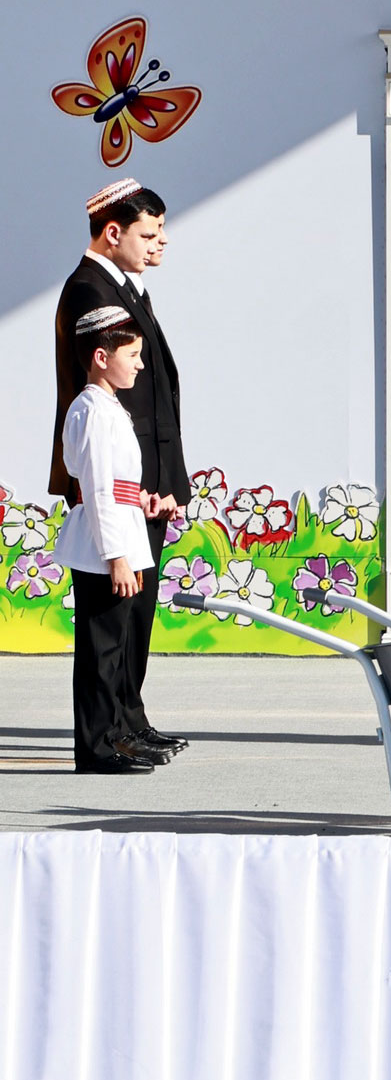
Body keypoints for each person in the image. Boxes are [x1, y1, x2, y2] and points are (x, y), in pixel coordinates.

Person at [50, 178, 189, 758]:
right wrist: (150, 485)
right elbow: (125, 401)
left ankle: (128, 721)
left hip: (141, 484)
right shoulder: (92, 290)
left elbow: (156, 391)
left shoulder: (125, 287)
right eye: (149, 234)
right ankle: (109, 734)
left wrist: (167, 479)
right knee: (112, 620)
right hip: (122, 487)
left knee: (135, 614)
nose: (161, 244)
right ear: (113, 233)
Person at [53, 308, 171, 773]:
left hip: (121, 531)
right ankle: (96, 748)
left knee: (116, 647)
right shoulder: (91, 411)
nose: (140, 364)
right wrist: (116, 557)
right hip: (105, 545)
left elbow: (115, 484)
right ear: (102, 357)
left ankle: (116, 736)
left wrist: (144, 500)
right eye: (132, 354)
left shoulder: (108, 408)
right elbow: (98, 487)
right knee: (100, 651)